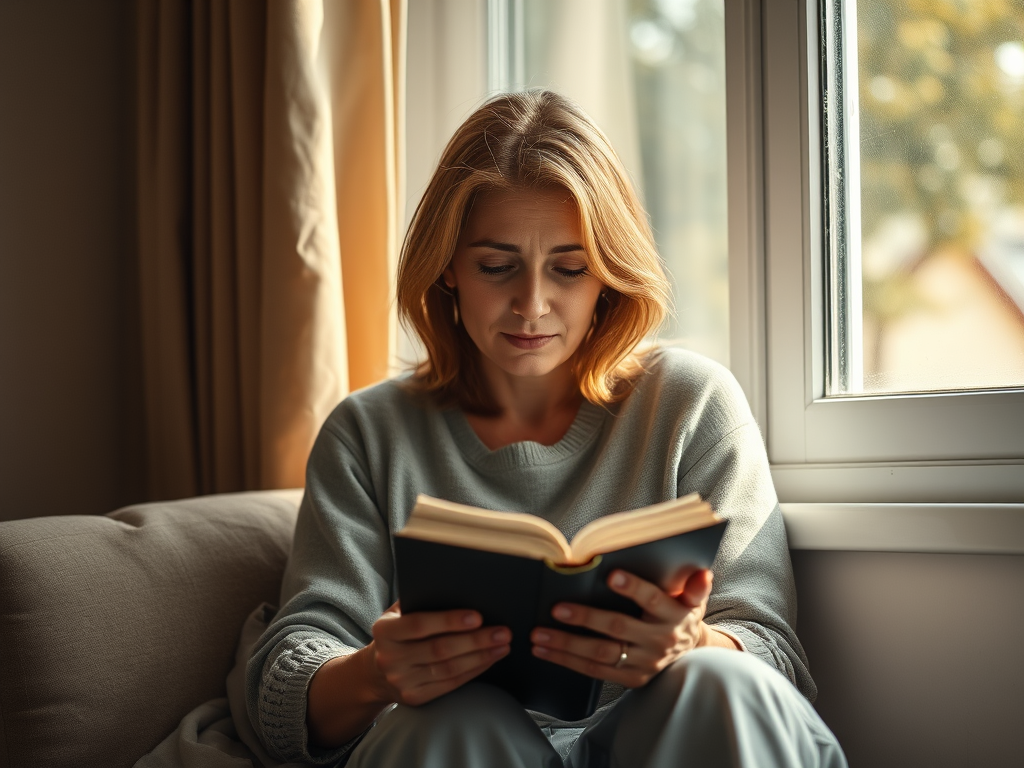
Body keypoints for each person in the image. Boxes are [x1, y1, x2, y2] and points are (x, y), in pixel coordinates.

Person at [245, 89, 847, 768]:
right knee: (447, 719)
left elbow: (773, 658)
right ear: (448, 267)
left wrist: (693, 644)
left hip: (667, 737)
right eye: (496, 267)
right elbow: (289, 679)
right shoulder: (370, 432)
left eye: (569, 268)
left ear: (609, 277)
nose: (532, 305)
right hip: (459, 746)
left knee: (720, 681)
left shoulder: (690, 404)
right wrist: (376, 673)